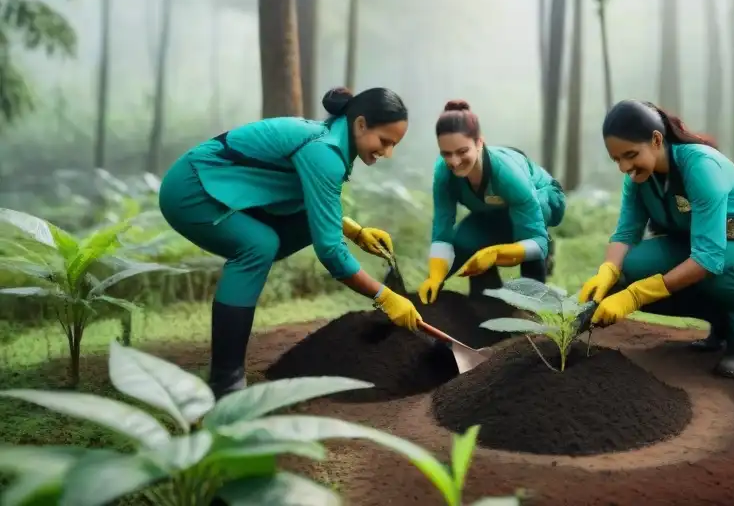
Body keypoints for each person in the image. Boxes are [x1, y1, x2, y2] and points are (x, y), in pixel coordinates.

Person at [158, 86, 422, 398]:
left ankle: (225, 376)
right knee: (257, 246)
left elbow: (313, 202)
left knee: (265, 244)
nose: (387, 152)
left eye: (394, 145)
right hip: (192, 188)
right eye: (385, 141)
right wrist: (384, 297)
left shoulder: (329, 143)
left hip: (218, 186)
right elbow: (331, 253)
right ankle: (225, 381)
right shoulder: (324, 152)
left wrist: (353, 231)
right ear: (361, 124)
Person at [578, 99, 734, 379]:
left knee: (720, 267)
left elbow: (708, 259)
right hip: (704, 249)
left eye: (631, 154)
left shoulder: (701, 166)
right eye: (617, 159)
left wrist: (636, 296)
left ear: (657, 140)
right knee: (629, 268)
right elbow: (625, 233)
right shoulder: (639, 178)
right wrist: (607, 272)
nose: (624, 167)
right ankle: (721, 320)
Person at [417, 100, 566, 304]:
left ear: (479, 143)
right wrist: (435, 277)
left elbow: (536, 244)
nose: (454, 161)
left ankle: (534, 297)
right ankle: (487, 301)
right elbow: (442, 229)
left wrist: (496, 254)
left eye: (462, 152)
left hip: (545, 199)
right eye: (446, 154)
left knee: (528, 232)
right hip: (493, 211)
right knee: (464, 240)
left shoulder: (507, 173)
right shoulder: (443, 173)